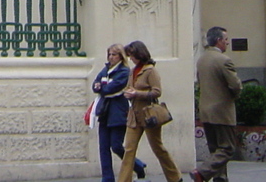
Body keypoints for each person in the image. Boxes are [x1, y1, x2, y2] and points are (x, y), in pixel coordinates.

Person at [118, 40, 183, 182]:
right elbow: (129, 87)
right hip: (134, 115)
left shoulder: (150, 70)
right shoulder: (132, 71)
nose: (131, 59)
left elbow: (157, 92)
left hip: (149, 114)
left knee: (157, 147)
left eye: (132, 56)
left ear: (139, 54)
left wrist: (137, 93)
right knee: (129, 149)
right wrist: (127, 92)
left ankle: (175, 177)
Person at [191, 26, 242, 182]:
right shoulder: (224, 60)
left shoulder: (202, 59)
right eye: (226, 40)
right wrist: (235, 95)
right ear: (219, 41)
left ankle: (220, 178)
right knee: (227, 148)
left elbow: (200, 83)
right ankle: (202, 172)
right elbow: (235, 86)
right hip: (222, 112)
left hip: (206, 111)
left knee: (215, 150)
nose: (227, 43)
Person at [92, 43, 147, 181]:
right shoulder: (106, 69)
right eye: (109, 54)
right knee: (103, 147)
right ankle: (107, 178)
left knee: (116, 146)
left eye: (114, 55)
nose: (111, 57)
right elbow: (96, 84)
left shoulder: (124, 71)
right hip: (104, 111)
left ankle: (137, 165)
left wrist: (101, 87)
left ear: (120, 56)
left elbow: (112, 87)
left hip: (118, 112)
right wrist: (99, 86)